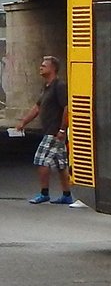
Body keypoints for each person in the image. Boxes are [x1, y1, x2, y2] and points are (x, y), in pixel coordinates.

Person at [14, 55, 73, 205]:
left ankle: (44, 193)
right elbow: (38, 107)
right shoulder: (46, 87)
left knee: (40, 161)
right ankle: (67, 195)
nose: (40, 67)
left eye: (44, 65)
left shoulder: (59, 86)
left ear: (53, 68)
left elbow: (66, 107)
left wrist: (62, 129)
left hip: (54, 132)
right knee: (61, 165)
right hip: (51, 132)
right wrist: (24, 122)